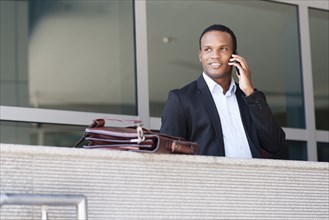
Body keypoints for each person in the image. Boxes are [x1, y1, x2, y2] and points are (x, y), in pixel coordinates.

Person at [160, 24, 286, 159]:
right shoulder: (181, 100)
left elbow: (275, 144)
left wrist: (249, 92)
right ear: (200, 55)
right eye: (208, 49)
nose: (215, 56)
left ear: (234, 56)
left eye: (223, 49)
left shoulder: (251, 98)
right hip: (210, 179)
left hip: (252, 179)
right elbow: (169, 156)